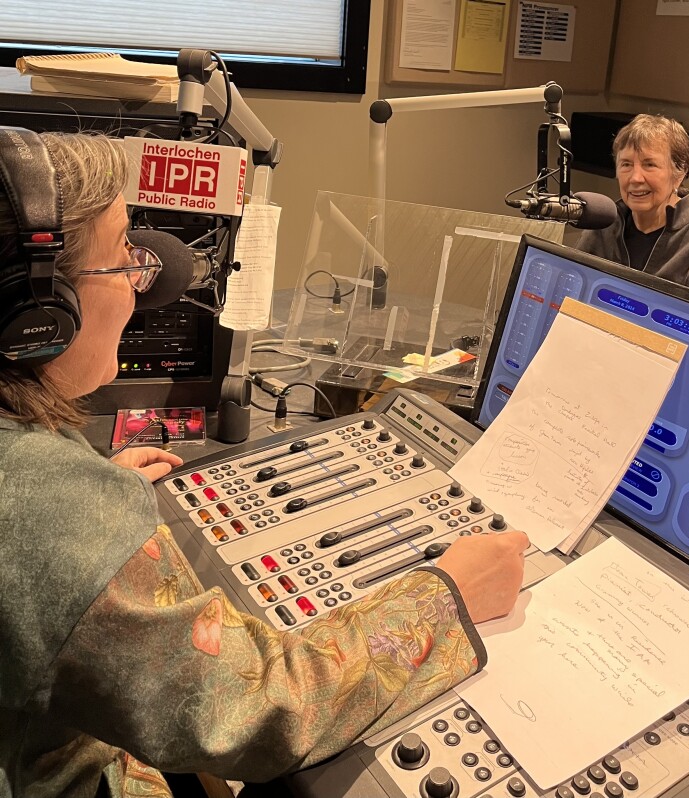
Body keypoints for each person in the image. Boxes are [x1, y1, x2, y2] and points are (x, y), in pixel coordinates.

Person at [0, 129, 530, 798]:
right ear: (37, 313)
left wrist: (85, 501)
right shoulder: (50, 516)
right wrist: (444, 598)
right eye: (121, 258)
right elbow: (267, 710)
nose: (141, 282)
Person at [576, 114, 689, 306]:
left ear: (679, 173)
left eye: (649, 165)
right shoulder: (603, 225)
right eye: (626, 164)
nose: (635, 178)